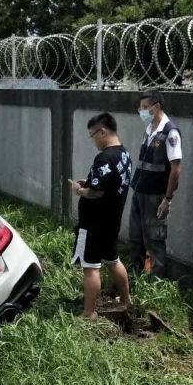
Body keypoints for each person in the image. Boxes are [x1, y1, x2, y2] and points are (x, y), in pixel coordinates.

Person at [70, 113, 133, 318]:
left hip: (93, 222)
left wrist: (80, 191)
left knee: (90, 267)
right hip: (111, 220)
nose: (93, 140)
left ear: (102, 131)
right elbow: (107, 183)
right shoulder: (123, 154)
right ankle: (126, 299)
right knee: (113, 260)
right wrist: (88, 181)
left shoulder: (104, 157)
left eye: (92, 135)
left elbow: (97, 192)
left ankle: (89, 313)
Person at [128, 91, 182, 278]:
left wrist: (167, 199)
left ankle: (156, 282)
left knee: (154, 240)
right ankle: (134, 275)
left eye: (144, 108)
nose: (141, 111)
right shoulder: (150, 128)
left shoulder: (170, 132)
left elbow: (175, 168)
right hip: (139, 190)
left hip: (155, 195)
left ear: (156, 106)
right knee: (135, 237)